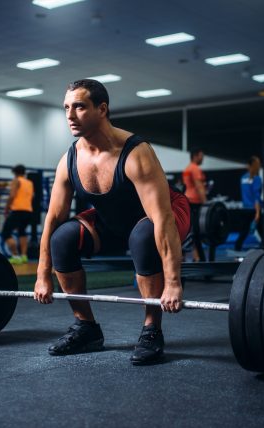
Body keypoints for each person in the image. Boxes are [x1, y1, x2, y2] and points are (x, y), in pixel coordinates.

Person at [33, 79, 191, 365]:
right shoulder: (69, 160)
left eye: (79, 107)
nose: (69, 115)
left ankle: (151, 329)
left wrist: (173, 282)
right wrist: (42, 274)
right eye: (66, 107)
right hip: (113, 220)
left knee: (144, 235)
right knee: (62, 238)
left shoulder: (135, 153)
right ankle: (86, 328)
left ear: (102, 109)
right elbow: (53, 219)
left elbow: (162, 217)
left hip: (166, 214)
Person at [1, 164, 34, 265]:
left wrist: (6, 208)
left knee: (5, 233)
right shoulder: (29, 183)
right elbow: (32, 197)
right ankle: (24, 256)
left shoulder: (16, 180)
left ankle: (15, 256)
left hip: (17, 210)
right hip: (28, 211)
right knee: (22, 232)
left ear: (15, 173)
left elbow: (12, 196)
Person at [182, 148, 207, 261]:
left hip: (187, 201)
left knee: (191, 231)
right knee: (196, 233)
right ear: (195, 156)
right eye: (201, 155)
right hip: (195, 203)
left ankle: (195, 257)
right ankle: (200, 260)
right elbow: (199, 187)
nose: (203, 158)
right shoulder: (195, 169)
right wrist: (206, 204)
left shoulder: (187, 168)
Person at [234, 155, 263, 251]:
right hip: (254, 210)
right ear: (254, 165)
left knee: (243, 232)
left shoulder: (243, 178)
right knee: (263, 233)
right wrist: (258, 213)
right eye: (258, 164)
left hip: (245, 210)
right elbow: (256, 197)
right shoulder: (257, 179)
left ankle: (237, 249)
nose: (259, 166)